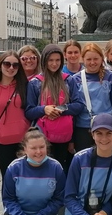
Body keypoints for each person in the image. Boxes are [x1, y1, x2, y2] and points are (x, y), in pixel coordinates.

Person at [2, 129, 66, 215]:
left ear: (46, 147)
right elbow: (8, 199)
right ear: (25, 149)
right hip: (18, 213)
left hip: (44, 213)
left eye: (42, 147)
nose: (38, 152)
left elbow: (59, 199)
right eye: (33, 148)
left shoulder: (56, 167)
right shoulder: (13, 168)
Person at [26, 44, 84, 174]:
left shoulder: (69, 81)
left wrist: (59, 110)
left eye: (57, 60)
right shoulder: (35, 83)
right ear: (44, 61)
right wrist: (44, 109)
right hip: (43, 136)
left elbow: (79, 105)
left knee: (61, 170)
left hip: (64, 135)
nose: (54, 64)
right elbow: (29, 111)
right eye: (50, 60)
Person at [0, 51, 29, 179]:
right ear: (0, 65)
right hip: (3, 140)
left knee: (24, 179)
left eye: (15, 65)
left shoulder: (25, 86)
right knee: (8, 179)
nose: (11, 68)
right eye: (7, 64)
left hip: (24, 140)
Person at [71, 43, 112, 151]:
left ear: (101, 58)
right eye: (89, 59)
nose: (92, 62)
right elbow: (72, 111)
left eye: (96, 59)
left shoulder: (110, 77)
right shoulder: (75, 79)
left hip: (106, 129)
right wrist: (71, 139)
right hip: (83, 129)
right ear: (83, 59)